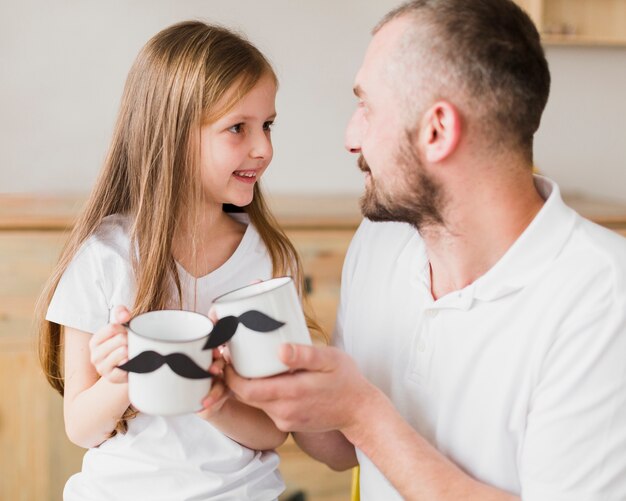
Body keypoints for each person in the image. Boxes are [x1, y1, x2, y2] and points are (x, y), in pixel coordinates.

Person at [223, 1, 626, 500]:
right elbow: (342, 449)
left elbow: (361, 422)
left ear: (437, 131)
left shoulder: (604, 299)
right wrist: (264, 381)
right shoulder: (382, 241)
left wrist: (363, 413)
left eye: (366, 107)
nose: (351, 137)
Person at [37, 20, 312, 501]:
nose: (263, 148)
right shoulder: (104, 258)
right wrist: (125, 376)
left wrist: (216, 401)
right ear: (174, 135)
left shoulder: (267, 259)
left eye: (267, 125)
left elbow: (272, 431)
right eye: (238, 128)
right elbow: (82, 427)